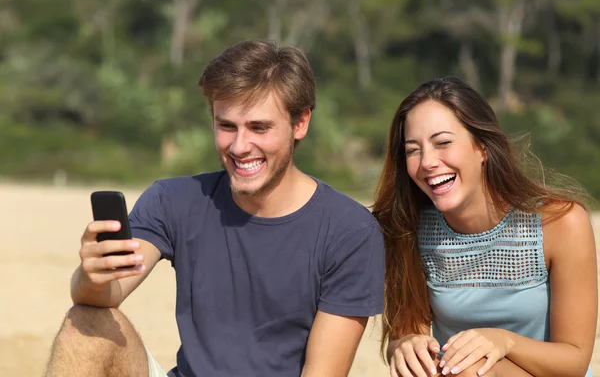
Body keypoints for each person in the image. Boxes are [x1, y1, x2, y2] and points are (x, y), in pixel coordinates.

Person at [43, 40, 385, 377]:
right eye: (226, 126)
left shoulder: (349, 231)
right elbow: (104, 295)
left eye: (259, 127)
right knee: (85, 322)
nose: (239, 146)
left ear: (300, 124)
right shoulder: (172, 200)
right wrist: (91, 275)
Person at [372, 76, 597, 377]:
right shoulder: (408, 228)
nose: (427, 162)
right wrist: (404, 344)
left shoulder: (561, 223)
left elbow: (574, 361)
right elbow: (407, 331)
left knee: (471, 369)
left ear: (482, 147)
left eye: (443, 143)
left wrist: (503, 341)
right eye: (413, 150)